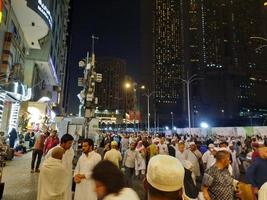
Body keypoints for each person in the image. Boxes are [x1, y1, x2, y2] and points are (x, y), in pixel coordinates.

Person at [45, 134, 74, 200]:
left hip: (67, 180)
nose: (70, 145)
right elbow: (47, 166)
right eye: (69, 143)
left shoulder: (71, 151)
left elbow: (69, 163)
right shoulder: (53, 151)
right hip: (56, 181)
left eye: (71, 143)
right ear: (63, 143)